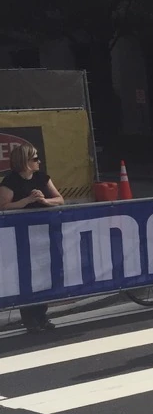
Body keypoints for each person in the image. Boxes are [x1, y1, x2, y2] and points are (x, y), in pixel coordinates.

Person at [0, 143, 64, 335]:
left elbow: (60, 199)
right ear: (24, 161)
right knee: (26, 274)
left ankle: (42, 314)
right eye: (35, 159)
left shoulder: (41, 177)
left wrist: (44, 201)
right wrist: (26, 201)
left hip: (43, 231)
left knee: (45, 273)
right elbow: (4, 206)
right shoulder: (10, 181)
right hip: (20, 235)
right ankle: (29, 317)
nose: (39, 162)